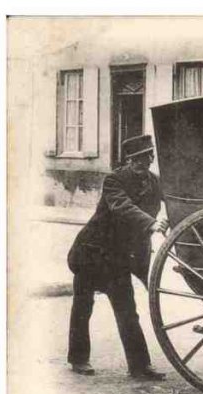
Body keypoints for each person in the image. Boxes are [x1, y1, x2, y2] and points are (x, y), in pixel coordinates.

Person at [66, 134, 168, 380]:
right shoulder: (114, 180)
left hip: (119, 258)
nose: (144, 162)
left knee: (127, 311)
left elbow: (174, 201)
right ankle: (78, 359)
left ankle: (140, 367)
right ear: (128, 160)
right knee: (83, 306)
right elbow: (122, 206)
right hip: (92, 253)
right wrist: (152, 223)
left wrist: (172, 220)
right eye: (138, 159)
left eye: (147, 157)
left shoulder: (155, 182)